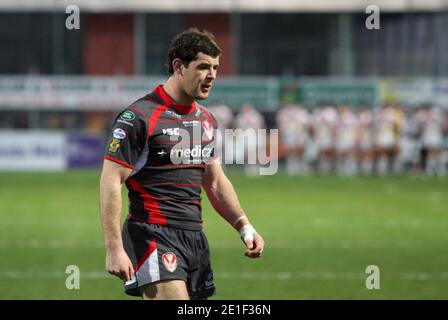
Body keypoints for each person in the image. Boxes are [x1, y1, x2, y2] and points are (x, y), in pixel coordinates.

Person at [99, 28, 265, 300]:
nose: (211, 75)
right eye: (203, 67)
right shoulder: (139, 117)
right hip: (151, 234)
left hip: (194, 238)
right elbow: (111, 180)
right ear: (178, 66)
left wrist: (244, 226)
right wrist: (114, 247)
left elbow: (215, 182)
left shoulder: (206, 120)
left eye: (215, 67)